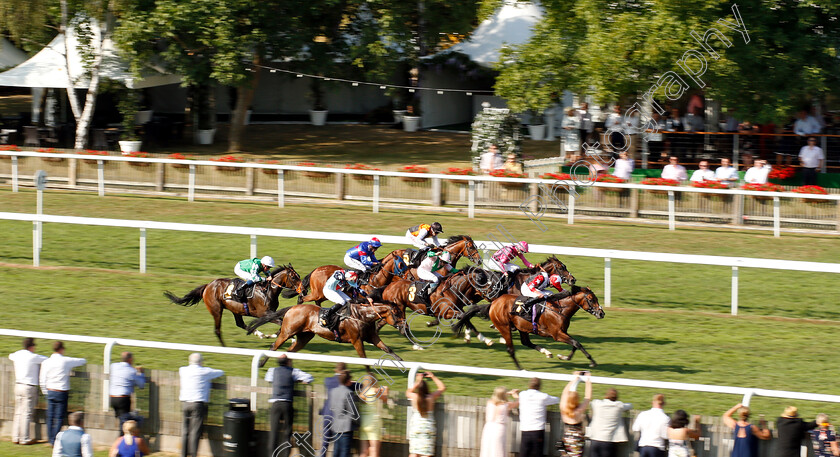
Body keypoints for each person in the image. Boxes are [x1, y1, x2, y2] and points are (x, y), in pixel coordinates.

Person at [40, 341, 87, 446]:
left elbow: (42, 378)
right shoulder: (65, 361)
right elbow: (81, 361)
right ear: (61, 349)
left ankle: (50, 438)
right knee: (59, 417)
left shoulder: (47, 362)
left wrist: (45, 391)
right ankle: (55, 439)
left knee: (50, 416)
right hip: (61, 391)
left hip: (50, 390)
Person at [266, 354, 313, 457]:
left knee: (273, 433)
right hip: (287, 404)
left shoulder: (272, 370)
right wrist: (298, 380)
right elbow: (309, 378)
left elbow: (268, 379)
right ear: (288, 362)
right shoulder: (293, 371)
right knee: (287, 433)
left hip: (276, 404)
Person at [179, 353, 224, 457]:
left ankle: (183, 454)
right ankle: (193, 454)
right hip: (197, 404)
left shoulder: (183, 370)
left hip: (185, 403)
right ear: (201, 362)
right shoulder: (205, 371)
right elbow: (220, 372)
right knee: (195, 432)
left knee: (185, 430)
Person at [9, 337, 47, 446]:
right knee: (26, 413)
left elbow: (10, 356)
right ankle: (24, 438)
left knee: (18, 412)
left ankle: (16, 437)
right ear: (31, 347)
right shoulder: (33, 357)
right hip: (29, 387)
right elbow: (46, 359)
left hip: (18, 385)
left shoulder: (17, 354)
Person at [321, 269, 374, 339]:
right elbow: (337, 276)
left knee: (350, 302)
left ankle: (343, 317)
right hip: (328, 290)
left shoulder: (351, 278)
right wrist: (347, 278)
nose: (353, 280)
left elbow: (358, 289)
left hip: (336, 290)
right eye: (353, 278)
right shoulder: (339, 273)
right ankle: (326, 315)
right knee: (341, 302)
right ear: (350, 275)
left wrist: (367, 297)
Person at [407, 371, 445, 457]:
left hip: (416, 426)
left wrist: (417, 382)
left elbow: (408, 392)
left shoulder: (415, 397)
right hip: (428, 427)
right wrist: (433, 377)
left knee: (414, 452)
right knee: (426, 453)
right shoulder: (431, 397)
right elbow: (442, 388)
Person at [586, 388, 633, 457]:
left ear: (606, 395)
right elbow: (630, 405)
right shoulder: (619, 405)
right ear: (616, 397)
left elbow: (590, 403)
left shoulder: (597, 404)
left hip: (595, 439)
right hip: (609, 441)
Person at [519, 377, 559, 457]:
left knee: (524, 454)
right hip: (537, 431)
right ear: (540, 387)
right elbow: (557, 399)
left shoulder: (522, 394)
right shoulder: (543, 397)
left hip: (525, 430)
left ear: (529, 385)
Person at [110, 352, 146, 435]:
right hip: (123, 399)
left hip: (113, 398)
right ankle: (122, 443)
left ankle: (123, 441)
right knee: (124, 424)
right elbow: (141, 385)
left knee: (123, 421)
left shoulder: (113, 366)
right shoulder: (131, 371)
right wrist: (141, 373)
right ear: (130, 359)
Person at [558, 371, 592, 457]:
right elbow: (588, 397)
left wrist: (573, 380)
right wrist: (588, 381)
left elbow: (564, 393)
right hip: (577, 439)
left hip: (565, 437)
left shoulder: (563, 407)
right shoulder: (579, 410)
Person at [479, 386, 519, 457]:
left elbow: (499, 395)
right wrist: (515, 396)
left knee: (487, 449)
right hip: (499, 428)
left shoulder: (489, 403)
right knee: (498, 449)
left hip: (488, 427)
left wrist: (507, 393)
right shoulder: (506, 405)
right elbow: (518, 403)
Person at [318, 362, 347, 457]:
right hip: (337, 417)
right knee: (336, 443)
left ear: (335, 370)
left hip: (327, 414)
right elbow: (359, 385)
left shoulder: (328, 380)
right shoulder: (345, 382)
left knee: (325, 442)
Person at [358, 375, 390, 457]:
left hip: (363, 422)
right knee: (374, 449)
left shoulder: (362, 393)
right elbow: (385, 399)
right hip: (373, 422)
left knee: (363, 451)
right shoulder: (375, 391)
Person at [328, 370, 356, 457]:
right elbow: (353, 412)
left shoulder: (333, 391)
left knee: (336, 451)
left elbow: (332, 407)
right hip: (346, 428)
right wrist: (358, 423)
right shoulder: (349, 393)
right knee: (344, 452)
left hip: (336, 426)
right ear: (348, 381)